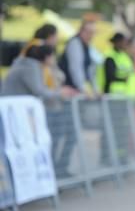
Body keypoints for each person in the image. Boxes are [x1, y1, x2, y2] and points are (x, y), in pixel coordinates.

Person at [1, 43, 78, 176]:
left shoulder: (27, 65)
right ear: (47, 56)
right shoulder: (31, 67)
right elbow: (39, 90)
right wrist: (61, 93)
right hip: (14, 114)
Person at [98, 33, 135, 165]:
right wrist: (123, 79)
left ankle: (121, 158)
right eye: (123, 42)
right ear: (116, 42)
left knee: (121, 130)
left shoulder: (124, 57)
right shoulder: (110, 57)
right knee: (110, 129)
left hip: (123, 101)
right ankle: (106, 157)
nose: (125, 44)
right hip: (112, 100)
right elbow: (110, 76)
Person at [59, 19, 98, 98]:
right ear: (81, 31)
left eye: (92, 33)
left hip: (77, 90)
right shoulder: (75, 43)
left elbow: (90, 70)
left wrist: (95, 89)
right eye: (89, 32)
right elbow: (75, 68)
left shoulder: (86, 46)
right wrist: (84, 89)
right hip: (70, 89)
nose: (91, 36)